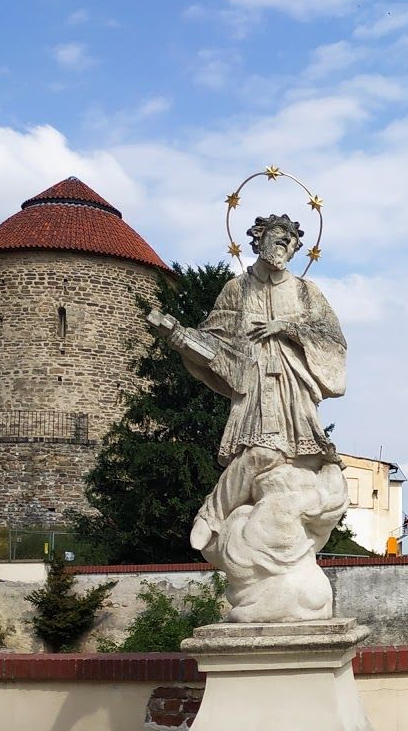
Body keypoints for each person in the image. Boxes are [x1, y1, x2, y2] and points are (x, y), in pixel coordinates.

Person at [149, 214, 349, 619]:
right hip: (257, 383)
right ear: (259, 241)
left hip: (294, 383)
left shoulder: (307, 291)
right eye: (278, 239)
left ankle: (286, 560)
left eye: (292, 242)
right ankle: (215, 511)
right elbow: (214, 341)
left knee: (302, 465)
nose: (285, 247)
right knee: (262, 454)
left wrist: (288, 328)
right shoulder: (236, 289)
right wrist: (179, 336)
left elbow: (334, 341)